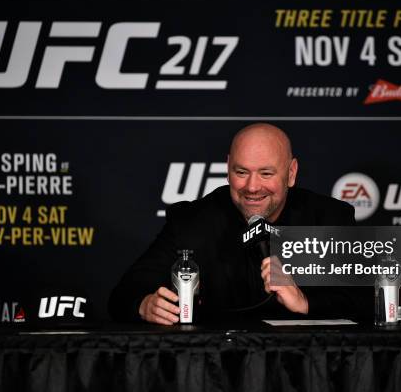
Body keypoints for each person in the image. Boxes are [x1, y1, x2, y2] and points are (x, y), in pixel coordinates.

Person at [109, 123, 370, 324]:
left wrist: (306, 303)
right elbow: (123, 294)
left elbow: (373, 301)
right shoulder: (191, 222)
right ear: (228, 168)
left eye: (266, 173)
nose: (252, 187)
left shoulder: (328, 219)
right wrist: (144, 305)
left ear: (291, 173)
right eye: (241, 172)